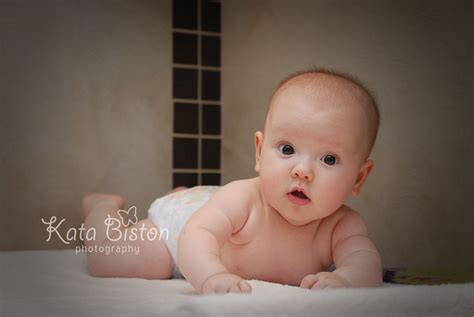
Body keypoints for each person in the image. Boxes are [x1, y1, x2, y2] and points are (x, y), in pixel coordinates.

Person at [82, 69, 383, 294]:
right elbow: (196, 236)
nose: (302, 171)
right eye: (287, 149)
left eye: (329, 159)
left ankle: (183, 193)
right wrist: (211, 276)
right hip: (181, 229)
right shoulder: (245, 199)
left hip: (209, 206)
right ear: (259, 152)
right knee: (112, 260)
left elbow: (365, 264)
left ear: (359, 177)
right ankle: (102, 207)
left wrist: (346, 280)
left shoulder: (342, 226)